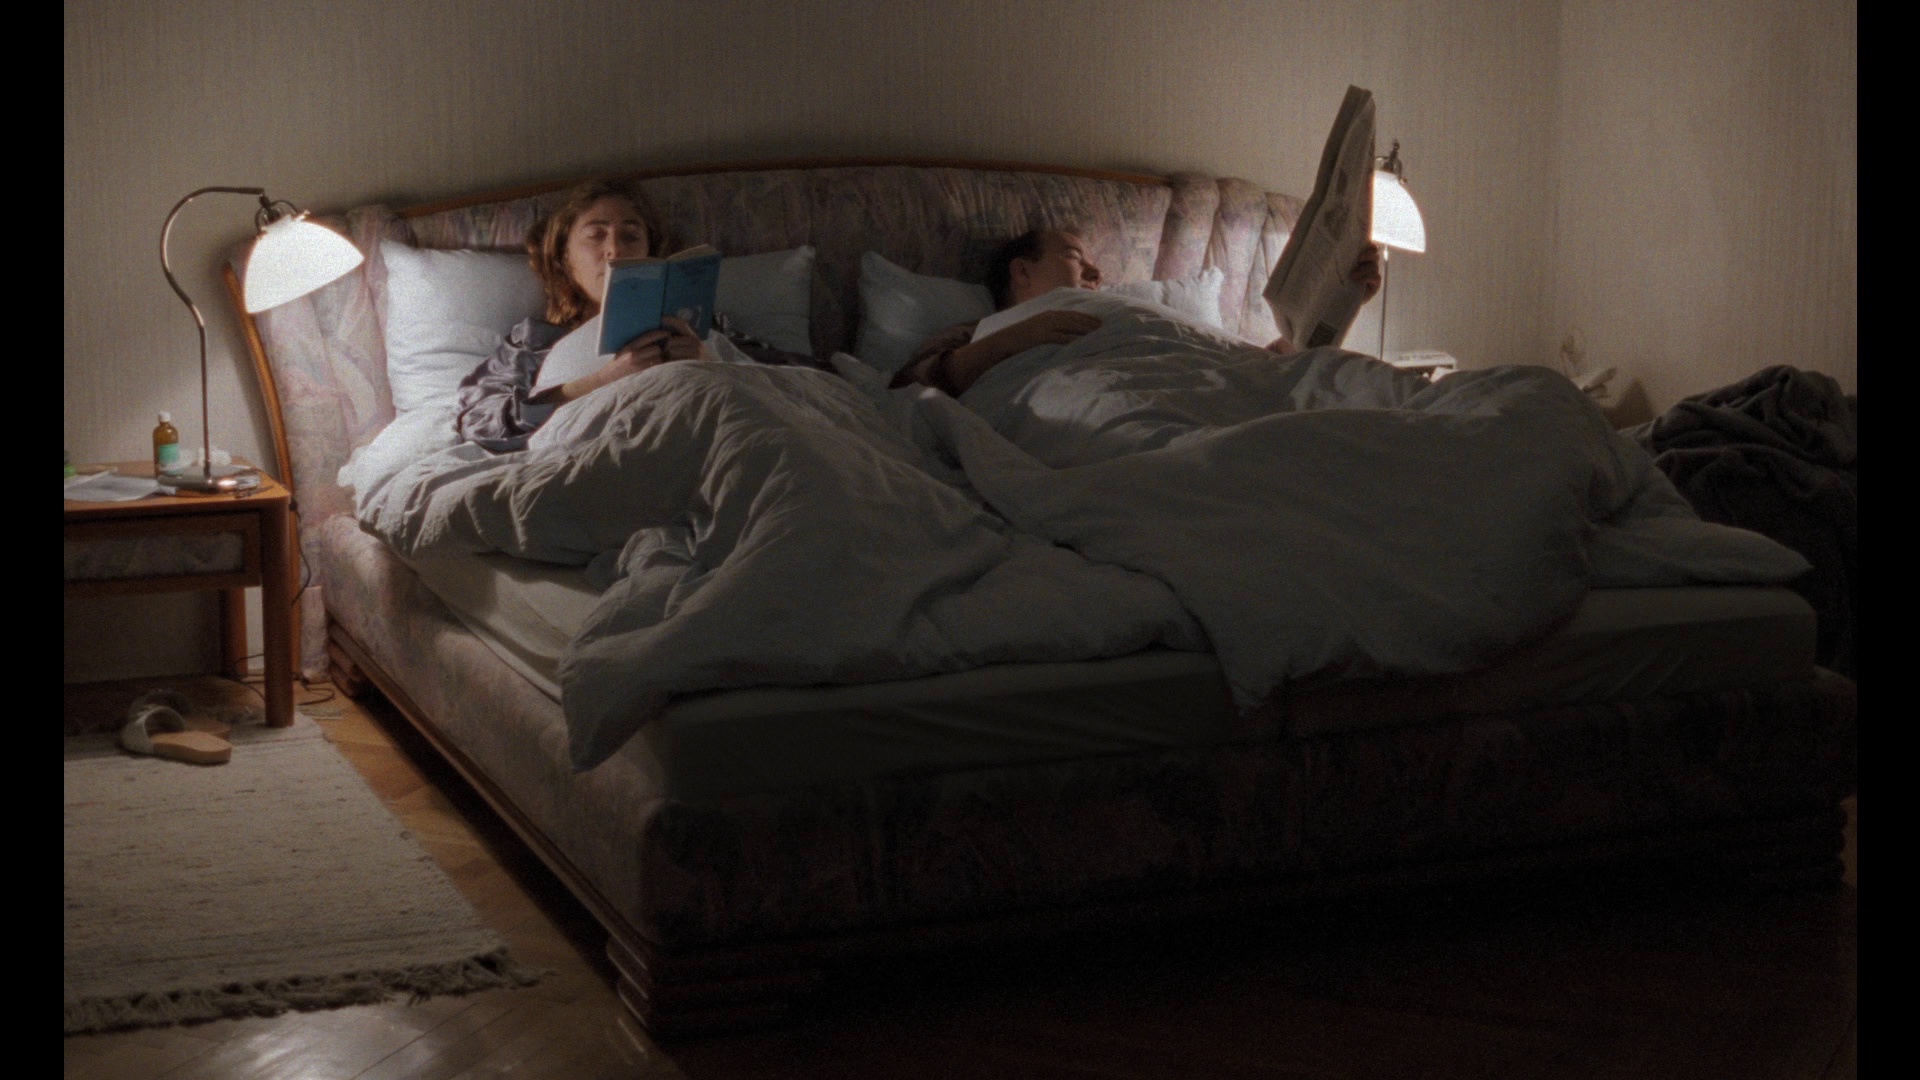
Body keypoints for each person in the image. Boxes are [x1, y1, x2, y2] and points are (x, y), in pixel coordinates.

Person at [455, 178, 821, 452]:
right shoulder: (534, 342)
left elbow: (809, 388)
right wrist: (598, 382)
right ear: (565, 258)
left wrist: (711, 364)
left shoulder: (701, 328)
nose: (614, 250)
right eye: (596, 236)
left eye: (630, 237)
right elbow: (479, 423)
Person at [891, 228, 1384, 397]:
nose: (1096, 271)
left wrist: (1339, 303)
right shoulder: (979, 331)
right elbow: (909, 385)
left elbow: (1246, 367)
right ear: (1021, 271)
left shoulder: (1135, 315)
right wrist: (1017, 337)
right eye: (1074, 256)